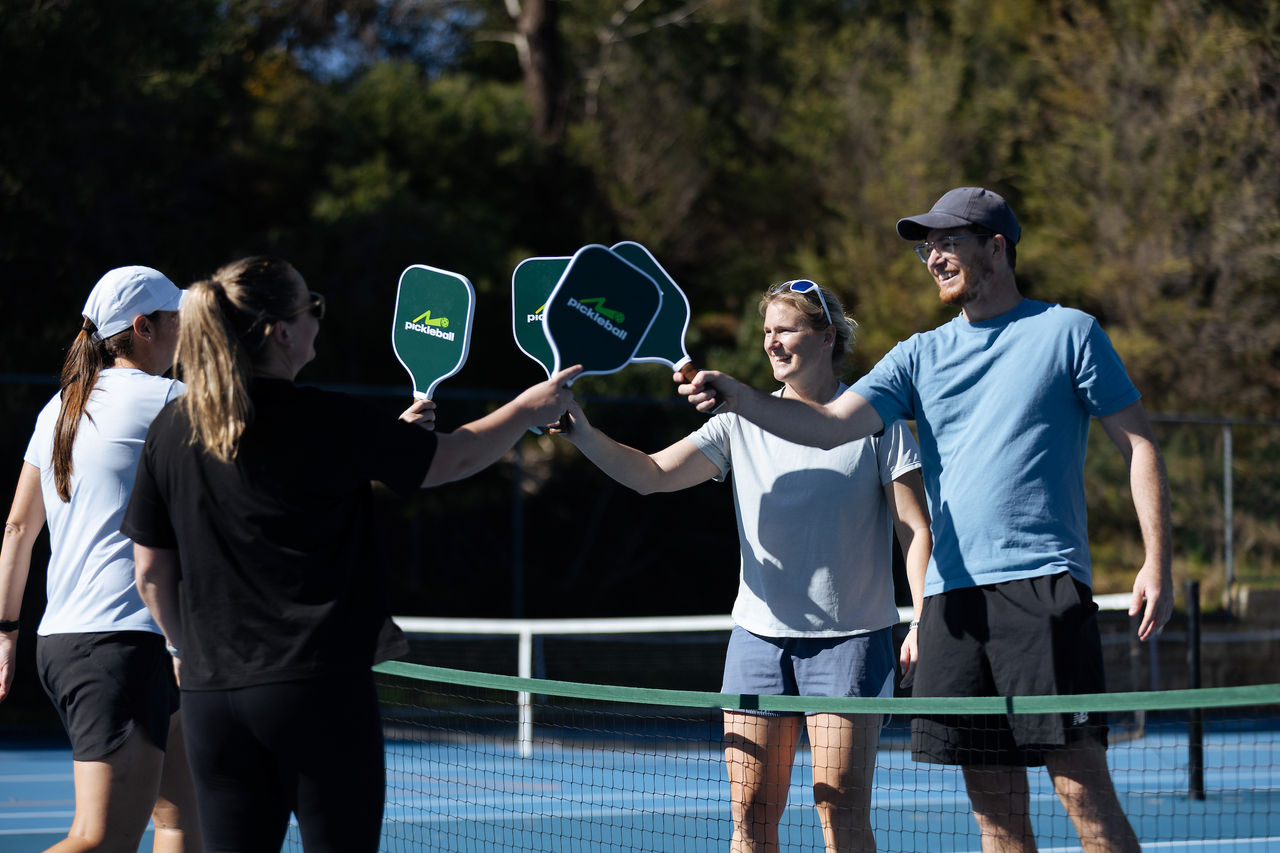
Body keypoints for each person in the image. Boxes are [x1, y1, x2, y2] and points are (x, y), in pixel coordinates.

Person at [678, 187, 1173, 853]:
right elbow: (827, 426)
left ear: (996, 247)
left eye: (947, 241)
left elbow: (1138, 443)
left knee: (1084, 797)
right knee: (993, 812)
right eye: (926, 245)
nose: (932, 256)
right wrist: (737, 394)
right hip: (952, 606)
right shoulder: (917, 355)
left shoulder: (1068, 332)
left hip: (1044, 590)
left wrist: (1156, 560)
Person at [119, 256, 578, 853]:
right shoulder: (328, 419)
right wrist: (528, 409)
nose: (318, 318)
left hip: (212, 699)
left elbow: (151, 571)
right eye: (313, 307)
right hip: (318, 690)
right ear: (281, 331)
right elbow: (451, 459)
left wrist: (186, 649)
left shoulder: (172, 427)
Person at [560, 280, 932, 853]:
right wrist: (580, 431)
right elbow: (651, 475)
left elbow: (914, 529)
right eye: (766, 333)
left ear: (827, 336)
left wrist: (922, 620)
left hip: (852, 643)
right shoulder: (738, 423)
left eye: (785, 330)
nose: (771, 344)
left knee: (841, 815)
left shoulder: (879, 424)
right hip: (757, 643)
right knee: (750, 817)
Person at [0, 266, 202, 852]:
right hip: (123, 648)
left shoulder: (59, 409)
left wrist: (7, 630)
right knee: (100, 841)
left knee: (183, 819)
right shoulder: (173, 400)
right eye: (176, 322)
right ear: (144, 328)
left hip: (91, 643)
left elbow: (17, 528)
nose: (185, 335)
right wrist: (392, 442)